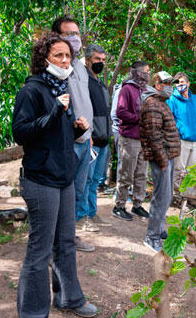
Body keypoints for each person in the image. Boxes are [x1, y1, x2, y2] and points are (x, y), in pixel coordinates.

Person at [12, 33, 97, 318]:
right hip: (40, 181)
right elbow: (21, 133)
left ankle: (70, 298)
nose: (64, 60)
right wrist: (53, 112)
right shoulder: (32, 91)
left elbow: (52, 135)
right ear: (43, 58)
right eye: (58, 55)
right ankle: (33, 313)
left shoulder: (60, 88)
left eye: (68, 56)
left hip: (63, 177)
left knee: (66, 241)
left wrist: (75, 130)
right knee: (40, 250)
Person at [51, 17, 97, 249]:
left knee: (76, 194)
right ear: (56, 36)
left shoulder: (79, 65)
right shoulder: (54, 66)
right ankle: (53, 243)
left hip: (84, 141)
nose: (75, 38)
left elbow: (84, 101)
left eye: (77, 33)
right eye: (68, 34)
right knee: (60, 195)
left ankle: (69, 237)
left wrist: (88, 137)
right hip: (66, 142)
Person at [140, 71, 181, 252]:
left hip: (167, 156)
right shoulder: (152, 104)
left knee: (167, 196)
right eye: (166, 83)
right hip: (161, 158)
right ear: (157, 85)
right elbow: (154, 136)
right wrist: (163, 161)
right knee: (161, 196)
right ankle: (152, 236)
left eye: (171, 83)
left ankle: (159, 228)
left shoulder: (161, 102)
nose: (170, 87)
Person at [112, 61, 151, 221]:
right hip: (129, 138)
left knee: (141, 174)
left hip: (144, 138)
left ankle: (137, 205)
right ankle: (119, 206)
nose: (149, 74)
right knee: (126, 173)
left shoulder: (145, 90)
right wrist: (139, 118)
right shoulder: (127, 89)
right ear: (139, 73)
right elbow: (120, 112)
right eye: (147, 71)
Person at [81, 44, 112, 229]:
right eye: (97, 60)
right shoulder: (84, 81)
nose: (101, 63)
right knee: (85, 180)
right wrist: (88, 135)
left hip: (104, 140)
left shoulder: (100, 82)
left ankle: (92, 213)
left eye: (103, 60)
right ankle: (82, 216)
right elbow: (83, 110)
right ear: (87, 60)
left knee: (95, 181)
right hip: (91, 139)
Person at [166, 72, 196, 192]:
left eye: (182, 82)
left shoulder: (195, 99)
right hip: (181, 140)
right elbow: (169, 118)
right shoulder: (172, 99)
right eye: (177, 83)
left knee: (190, 171)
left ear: (188, 83)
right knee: (178, 170)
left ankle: (187, 197)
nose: (179, 85)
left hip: (195, 139)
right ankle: (174, 196)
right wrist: (180, 130)